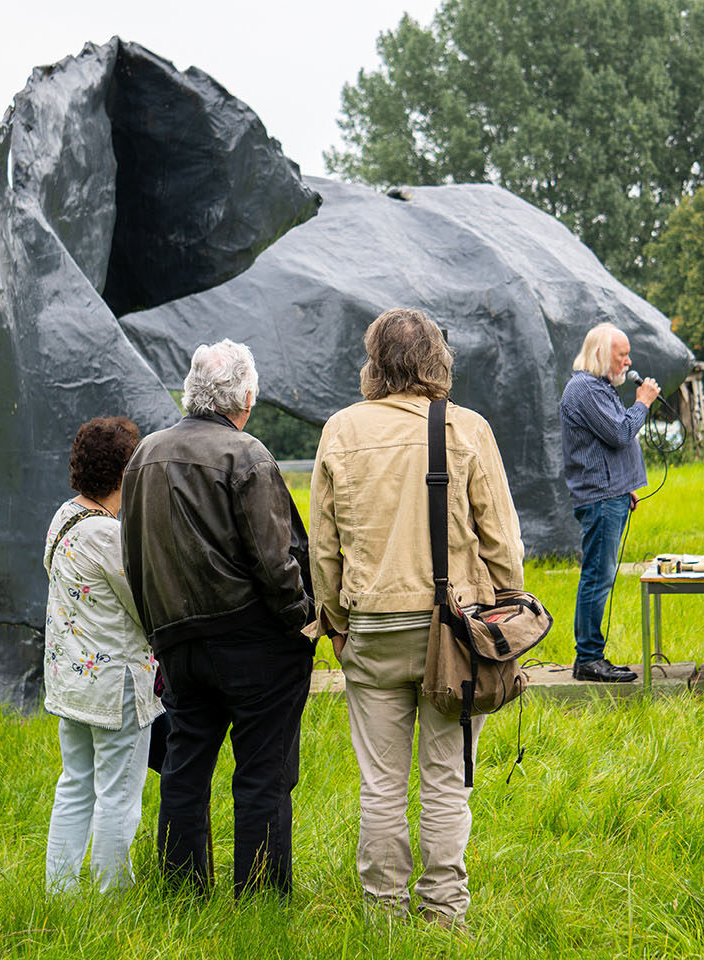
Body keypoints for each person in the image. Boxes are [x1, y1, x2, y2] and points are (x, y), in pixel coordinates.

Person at [308, 308, 524, 933]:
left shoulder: (340, 430)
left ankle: (382, 915)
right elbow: (502, 540)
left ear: (374, 363)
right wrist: (504, 614)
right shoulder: (467, 429)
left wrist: (335, 621)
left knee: (380, 784)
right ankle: (444, 912)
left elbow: (325, 546)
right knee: (445, 779)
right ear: (437, 359)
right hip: (456, 630)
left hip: (371, 630)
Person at [120, 339, 314, 898]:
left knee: (185, 767)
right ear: (246, 395)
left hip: (177, 642)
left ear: (191, 391)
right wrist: (302, 621)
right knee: (262, 774)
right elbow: (276, 559)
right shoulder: (245, 455)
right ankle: (258, 898)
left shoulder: (144, 456)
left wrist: (157, 627)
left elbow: (131, 554)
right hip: (252, 639)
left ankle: (182, 893)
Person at [42, 416, 163, 894]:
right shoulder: (110, 535)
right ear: (124, 474)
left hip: (71, 685)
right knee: (118, 797)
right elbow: (145, 605)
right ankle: (114, 894)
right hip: (116, 689)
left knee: (74, 786)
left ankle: (62, 891)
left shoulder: (64, 517)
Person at [559, 322, 661, 682]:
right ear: (604, 355)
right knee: (597, 577)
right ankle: (588, 659)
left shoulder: (597, 388)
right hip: (601, 499)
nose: (628, 362)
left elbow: (604, 442)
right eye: (622, 355)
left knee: (600, 576)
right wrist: (643, 402)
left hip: (611, 494)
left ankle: (591, 656)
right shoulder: (586, 389)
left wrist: (624, 485)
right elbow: (620, 433)